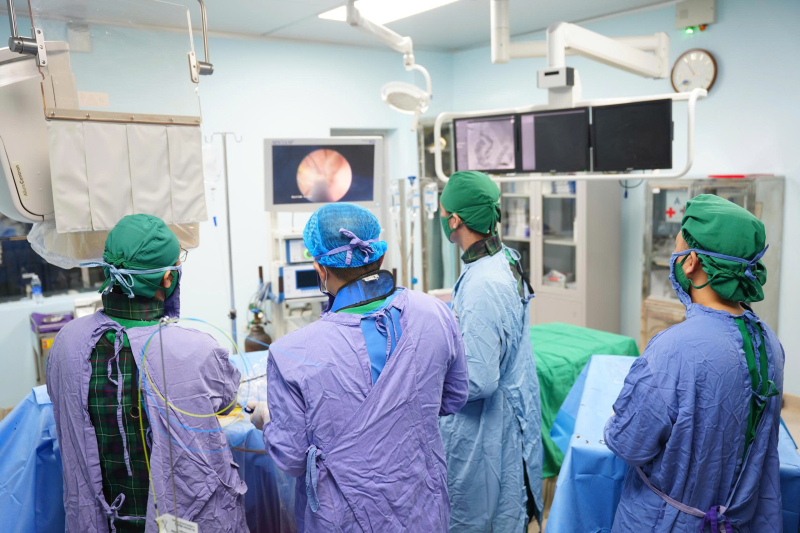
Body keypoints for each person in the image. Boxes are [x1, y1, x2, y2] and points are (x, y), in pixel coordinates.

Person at [255, 202, 469, 532]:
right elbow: (453, 398)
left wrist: (267, 419)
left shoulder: (290, 353)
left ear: (320, 269)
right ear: (379, 257)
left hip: (345, 519)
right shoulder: (434, 313)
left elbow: (292, 457)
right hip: (421, 507)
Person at [46, 214, 247, 533]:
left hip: (102, 521)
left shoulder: (66, 342)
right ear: (168, 278)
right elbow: (227, 402)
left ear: (108, 270)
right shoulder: (197, 349)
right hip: (182, 520)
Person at [604, 194, 784, 532]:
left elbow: (629, 444)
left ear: (690, 263)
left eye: (677, 249)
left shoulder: (672, 349)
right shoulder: (768, 342)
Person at [437, 171, 543, 532]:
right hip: (515, 408)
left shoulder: (482, 283)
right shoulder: (505, 258)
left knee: (488, 517)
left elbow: (479, 380)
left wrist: (425, 381)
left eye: (443, 213)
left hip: (491, 429)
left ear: (455, 220)